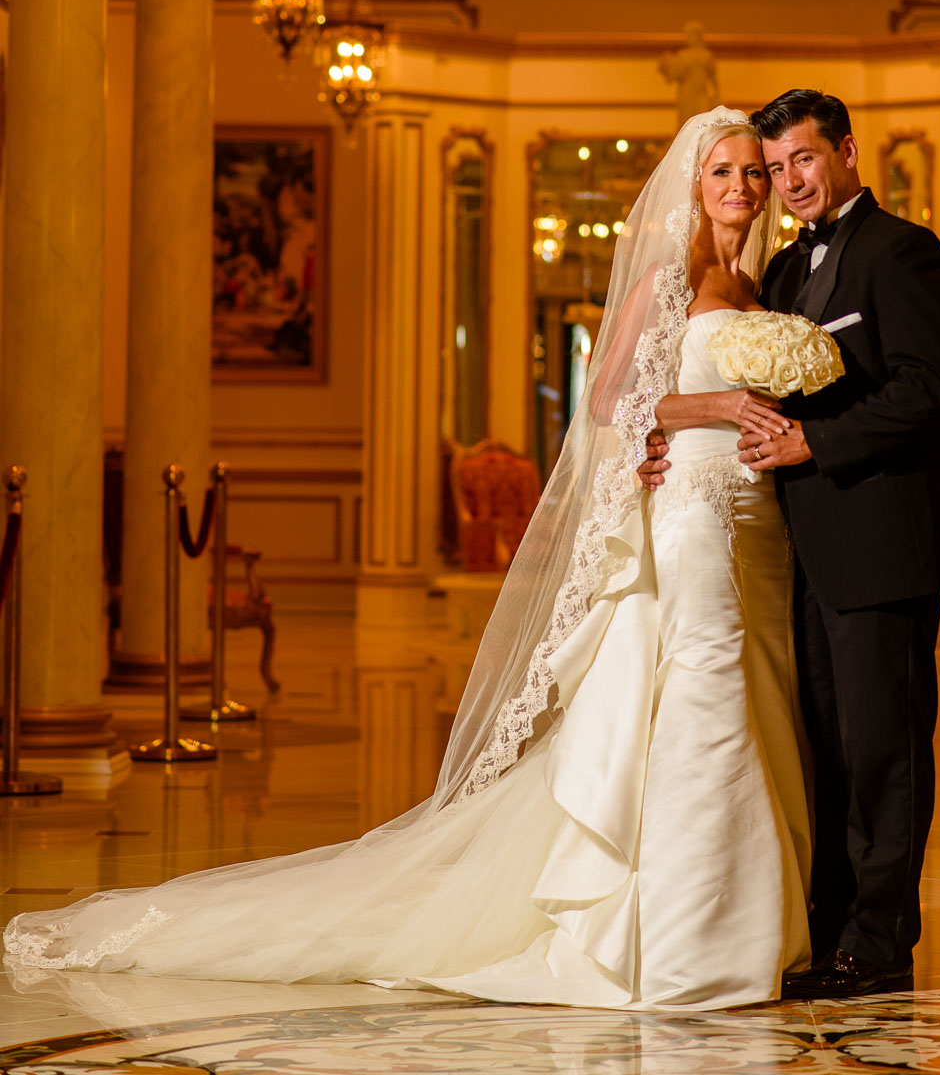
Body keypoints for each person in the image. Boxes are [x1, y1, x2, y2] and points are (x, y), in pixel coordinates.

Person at [5, 110, 812, 1011]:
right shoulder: (669, 277)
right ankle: (687, 945)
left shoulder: (759, 282)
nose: (742, 186)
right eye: (723, 172)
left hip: (758, 518)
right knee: (704, 691)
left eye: (754, 172)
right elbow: (611, 401)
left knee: (756, 693)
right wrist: (711, 408)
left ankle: (749, 924)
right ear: (693, 186)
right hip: (691, 519)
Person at [642, 88, 940, 999]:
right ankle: (822, 929)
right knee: (820, 748)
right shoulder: (778, 278)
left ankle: (879, 943)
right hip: (793, 547)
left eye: (802, 161)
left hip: (880, 541)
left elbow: (932, 385)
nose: (789, 182)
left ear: (848, 153)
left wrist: (815, 441)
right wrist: (669, 433)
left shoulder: (904, 251)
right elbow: (682, 382)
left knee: (883, 751)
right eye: (774, 168)